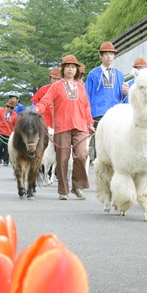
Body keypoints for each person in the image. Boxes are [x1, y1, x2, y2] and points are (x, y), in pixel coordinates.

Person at [35, 54, 93, 200]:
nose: (70, 69)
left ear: (77, 71)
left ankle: (77, 186)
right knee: (62, 159)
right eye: (67, 67)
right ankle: (63, 191)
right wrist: (37, 110)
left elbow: (86, 107)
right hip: (62, 126)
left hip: (80, 125)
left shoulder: (81, 88)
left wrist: (90, 123)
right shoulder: (56, 87)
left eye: (73, 67)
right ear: (63, 69)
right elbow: (45, 101)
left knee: (82, 155)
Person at [85, 41, 129, 158]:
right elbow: (86, 97)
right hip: (98, 114)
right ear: (101, 55)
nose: (109, 56)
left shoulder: (119, 74)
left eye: (111, 53)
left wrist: (126, 92)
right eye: (106, 53)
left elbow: (124, 99)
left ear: (114, 56)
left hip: (116, 114)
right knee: (100, 145)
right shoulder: (93, 74)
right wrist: (88, 117)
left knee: (116, 143)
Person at [0, 95, 19, 165]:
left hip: (9, 133)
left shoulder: (15, 115)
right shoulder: (0, 111)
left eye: (11, 108)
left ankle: (6, 161)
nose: (9, 109)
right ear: (6, 106)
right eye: (8, 107)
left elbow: (16, 125)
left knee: (7, 148)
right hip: (0, 132)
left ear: (13, 108)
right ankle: (0, 157)